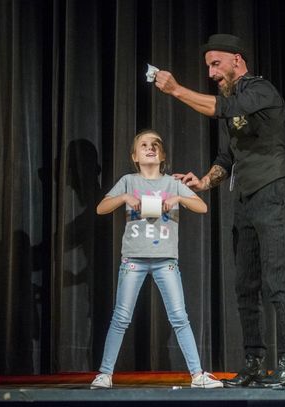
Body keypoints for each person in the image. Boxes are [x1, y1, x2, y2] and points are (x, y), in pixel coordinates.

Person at [154, 34, 285, 388]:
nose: (211, 73)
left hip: (274, 192)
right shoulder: (233, 103)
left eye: (216, 64)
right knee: (245, 286)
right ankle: (254, 363)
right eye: (208, 67)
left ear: (237, 60)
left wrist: (176, 90)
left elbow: (222, 108)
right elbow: (227, 157)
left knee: (276, 281)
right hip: (246, 199)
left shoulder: (260, 91)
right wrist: (203, 181)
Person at [90, 129, 223, 389]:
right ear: (134, 156)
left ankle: (198, 375)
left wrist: (178, 197)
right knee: (121, 317)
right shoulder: (128, 181)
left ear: (162, 156)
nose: (150, 148)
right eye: (144, 145)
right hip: (133, 260)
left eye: (155, 145)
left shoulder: (172, 184)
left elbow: (203, 207)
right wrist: (124, 198)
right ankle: (105, 373)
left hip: (166, 261)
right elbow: (101, 208)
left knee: (179, 317)